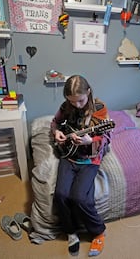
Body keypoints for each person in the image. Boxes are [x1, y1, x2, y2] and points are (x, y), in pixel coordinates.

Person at [51, 75, 110, 257]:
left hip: (89, 160)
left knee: (79, 198)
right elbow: (55, 122)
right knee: (60, 195)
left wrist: (89, 140)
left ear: (88, 92)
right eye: (72, 102)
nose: (77, 105)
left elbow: (106, 138)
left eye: (81, 100)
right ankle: (71, 231)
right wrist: (57, 133)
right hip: (69, 156)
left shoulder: (99, 108)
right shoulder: (66, 106)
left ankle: (98, 231)